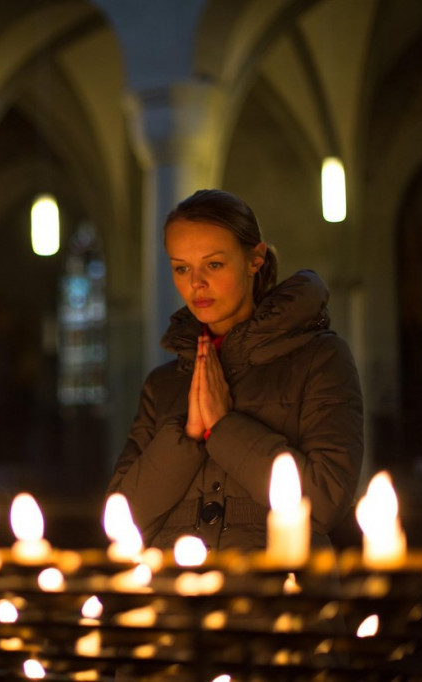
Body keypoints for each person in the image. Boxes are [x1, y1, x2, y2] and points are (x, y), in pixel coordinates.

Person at [107, 189, 363, 552]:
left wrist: (225, 428)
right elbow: (121, 519)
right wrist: (189, 435)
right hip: (175, 597)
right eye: (182, 268)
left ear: (254, 259)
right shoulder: (163, 384)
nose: (196, 283)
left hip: (278, 594)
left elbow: (325, 504)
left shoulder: (319, 358)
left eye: (213, 264)